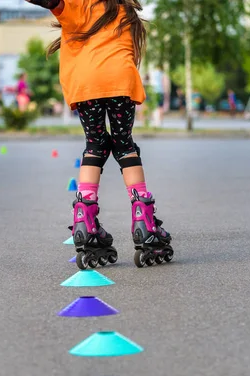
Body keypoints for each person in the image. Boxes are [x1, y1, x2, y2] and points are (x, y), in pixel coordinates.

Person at [25, 0, 173, 268]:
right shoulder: (124, 9)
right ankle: (143, 217)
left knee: (94, 145)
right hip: (120, 80)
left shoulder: (75, 4)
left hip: (86, 84)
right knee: (124, 144)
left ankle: (84, 217)